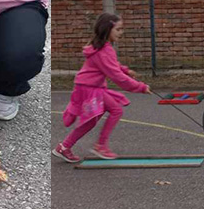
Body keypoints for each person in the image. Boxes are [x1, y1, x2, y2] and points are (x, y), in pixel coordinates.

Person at [54, 13, 150, 163]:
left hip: (89, 86)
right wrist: (141, 87)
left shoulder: (103, 47)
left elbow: (111, 66)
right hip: (89, 88)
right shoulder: (105, 50)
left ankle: (65, 147)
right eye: (118, 29)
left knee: (94, 119)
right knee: (114, 111)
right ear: (107, 30)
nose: (121, 33)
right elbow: (117, 77)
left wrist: (125, 69)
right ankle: (99, 146)